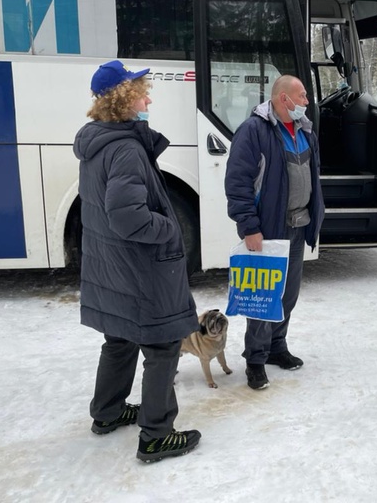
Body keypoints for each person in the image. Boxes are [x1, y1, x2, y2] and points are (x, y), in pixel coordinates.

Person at [74, 60, 201, 463]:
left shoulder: (98, 141)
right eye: (142, 92)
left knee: (120, 337)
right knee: (163, 345)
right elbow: (127, 216)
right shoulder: (126, 148)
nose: (149, 98)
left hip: (113, 265)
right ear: (125, 99)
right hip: (140, 268)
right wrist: (169, 228)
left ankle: (107, 412)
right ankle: (157, 436)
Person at [225, 75, 325, 390]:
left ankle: (276, 347)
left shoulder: (305, 129)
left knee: (287, 295)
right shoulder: (253, 131)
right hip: (268, 230)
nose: (307, 101)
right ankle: (255, 359)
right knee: (263, 297)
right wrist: (249, 227)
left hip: (298, 225)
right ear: (284, 99)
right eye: (302, 95)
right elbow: (238, 183)